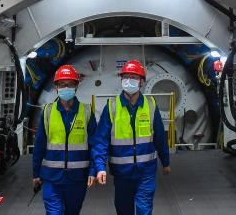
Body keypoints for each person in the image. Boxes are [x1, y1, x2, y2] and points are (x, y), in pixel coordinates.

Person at [91, 60, 170, 215]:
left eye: (133, 77)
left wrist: (165, 162)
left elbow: (160, 136)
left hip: (146, 170)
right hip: (121, 172)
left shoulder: (150, 105)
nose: (129, 80)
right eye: (125, 77)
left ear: (141, 82)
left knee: (144, 208)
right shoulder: (112, 107)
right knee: (123, 209)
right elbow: (101, 141)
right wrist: (100, 167)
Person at [32, 64, 97, 215]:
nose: (66, 88)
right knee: (53, 212)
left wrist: (93, 170)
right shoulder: (48, 112)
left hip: (77, 178)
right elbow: (39, 145)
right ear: (56, 87)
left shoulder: (86, 112)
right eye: (62, 84)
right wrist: (36, 173)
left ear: (76, 86)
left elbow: (95, 145)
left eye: (70, 84)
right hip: (52, 177)